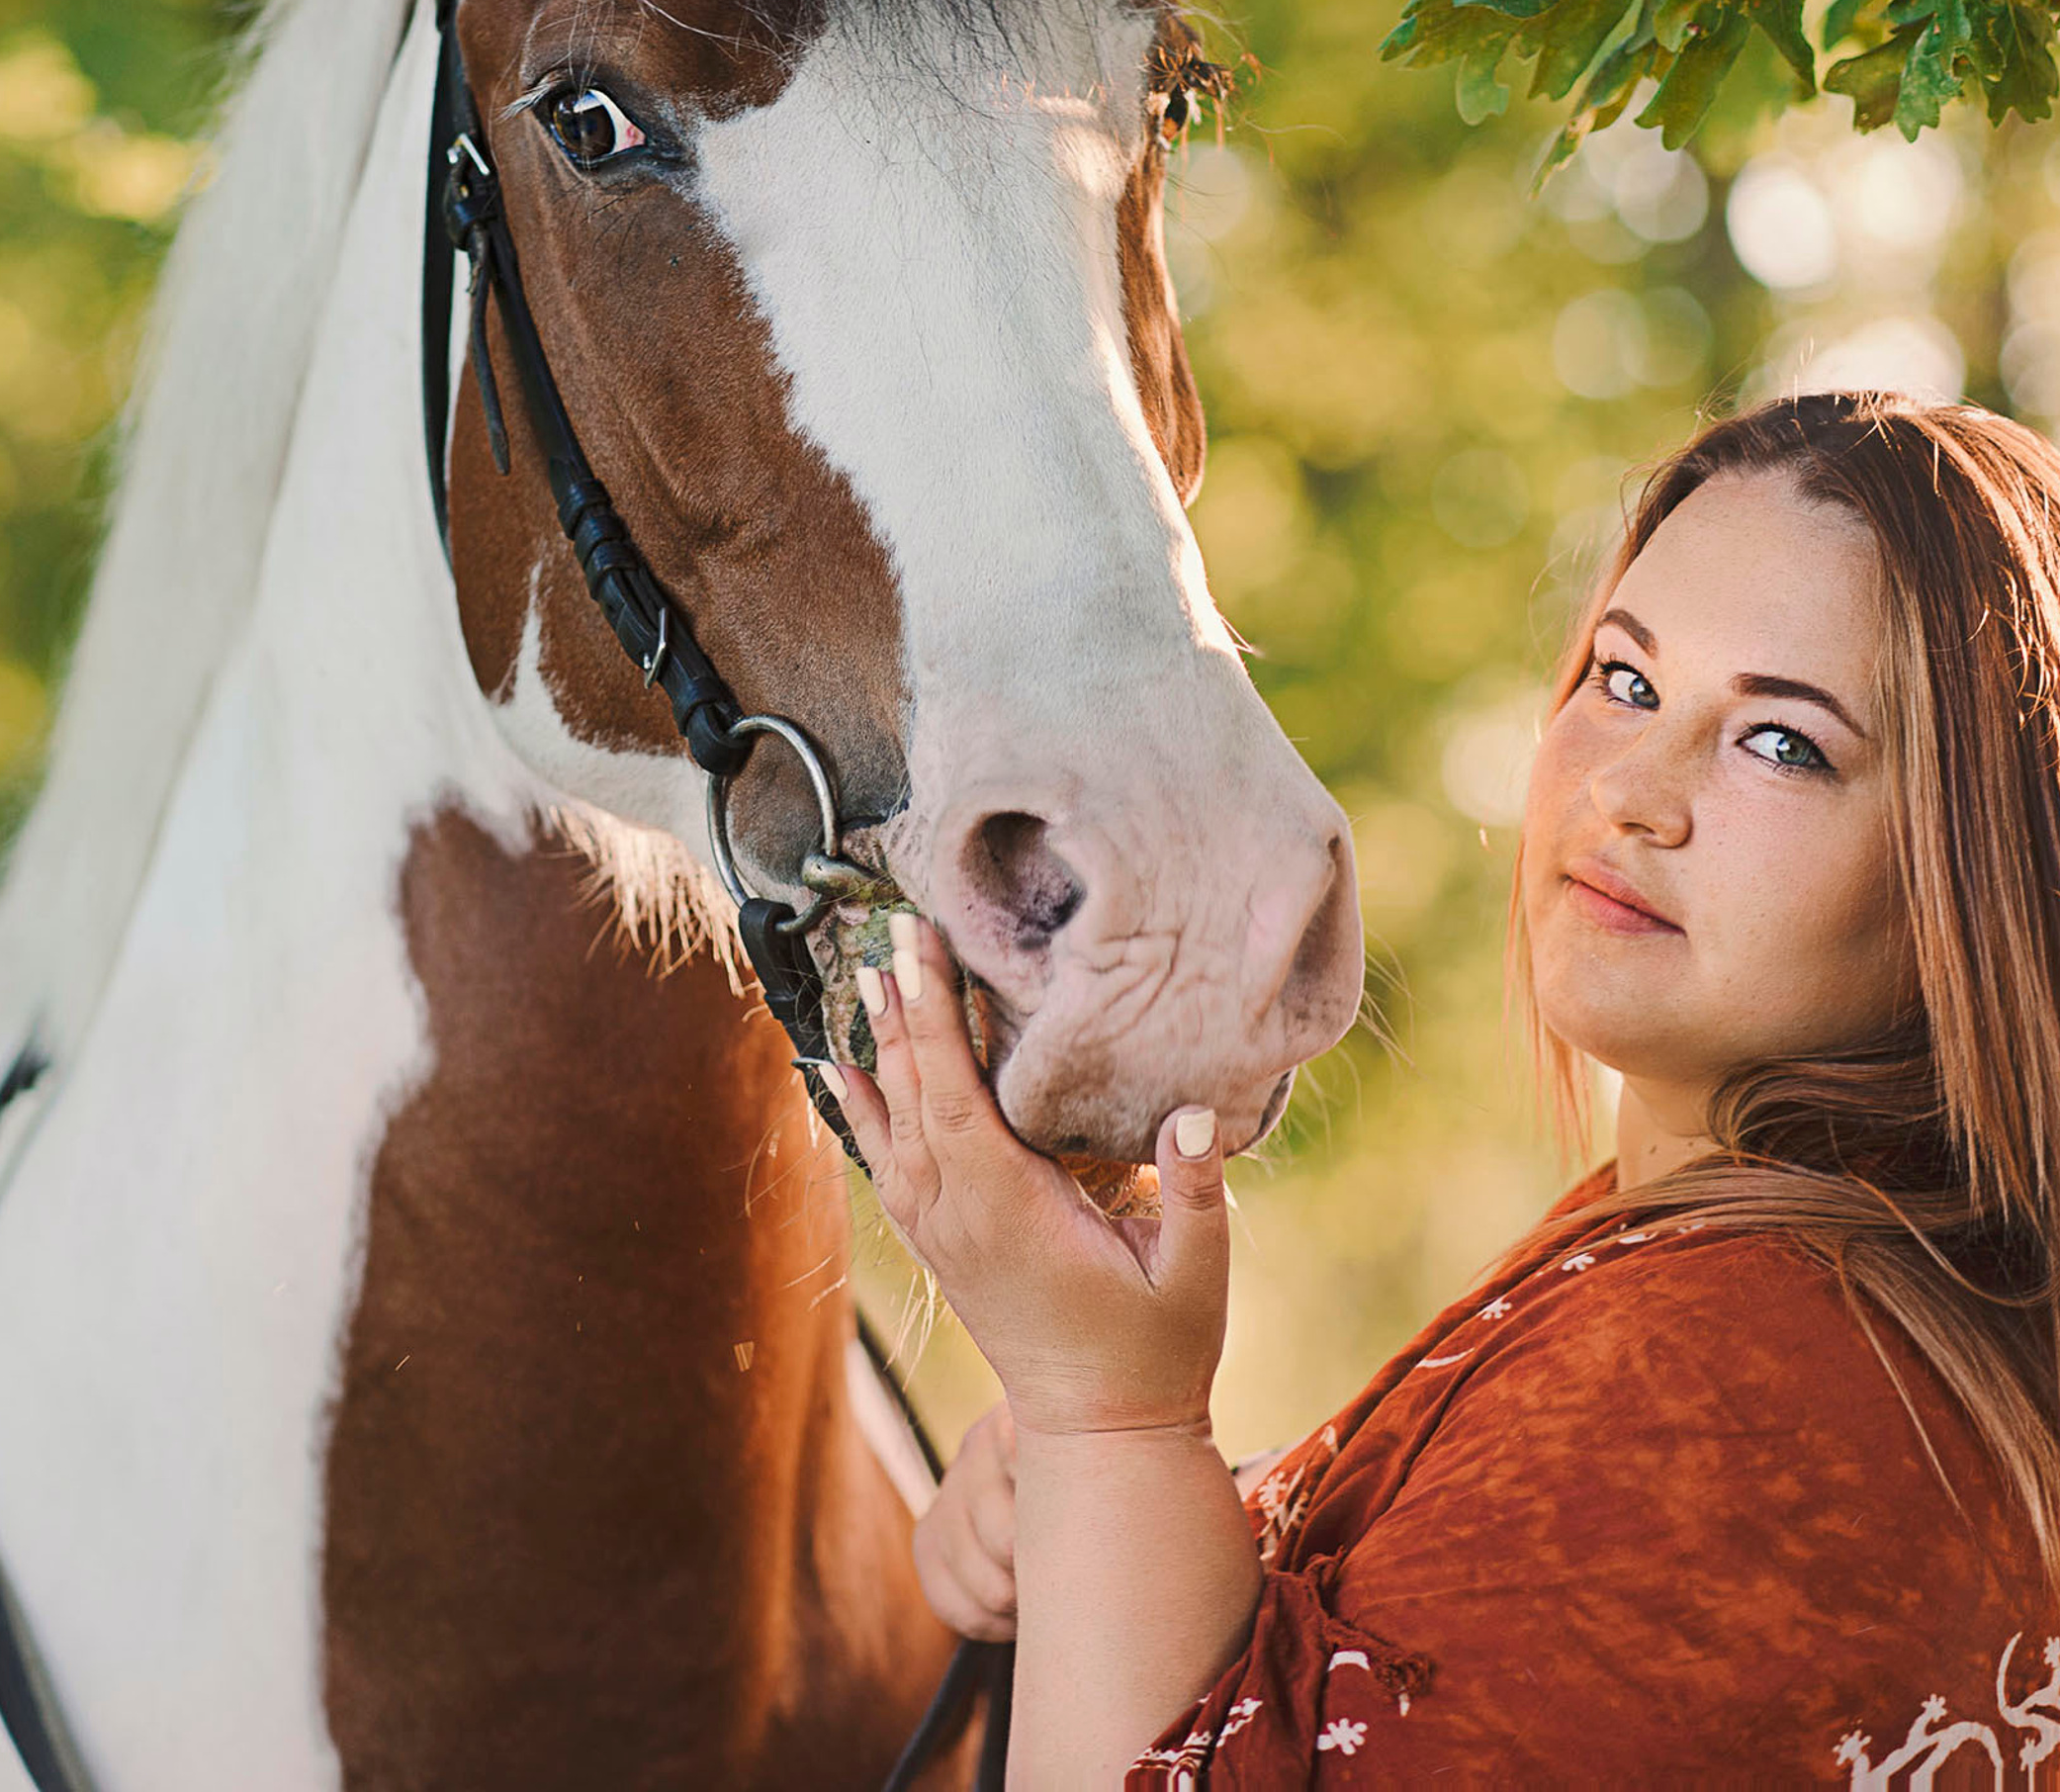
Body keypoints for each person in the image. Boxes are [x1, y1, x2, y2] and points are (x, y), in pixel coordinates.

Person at [825, 392, 2060, 1786]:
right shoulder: (1759, 1299)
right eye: (1625, 679)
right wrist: (1102, 1505)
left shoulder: (1747, 1388)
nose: (1632, 792)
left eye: (1782, 742)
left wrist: (1102, 1418)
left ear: (1985, 871)